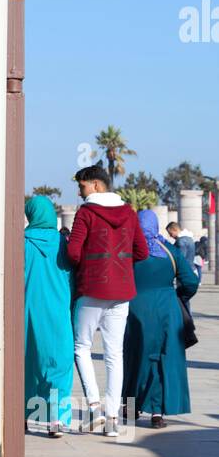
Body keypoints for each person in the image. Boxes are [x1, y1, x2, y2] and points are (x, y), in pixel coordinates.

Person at [67, 165, 149, 435]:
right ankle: (112, 418)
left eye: (82, 186)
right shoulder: (129, 213)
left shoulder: (86, 213)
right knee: (115, 354)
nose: (80, 192)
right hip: (122, 292)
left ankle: (94, 408)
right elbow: (142, 251)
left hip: (91, 289)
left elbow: (73, 252)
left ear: (97, 185)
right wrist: (120, 268)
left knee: (82, 347)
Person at [123, 209, 200, 429]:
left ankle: (130, 407)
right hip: (167, 309)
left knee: (134, 358)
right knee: (163, 359)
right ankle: (157, 413)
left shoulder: (129, 250)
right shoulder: (169, 251)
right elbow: (191, 282)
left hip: (135, 309)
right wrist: (179, 296)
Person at [23, 195, 74, 438]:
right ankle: (56, 419)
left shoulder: (20, 243)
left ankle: (21, 415)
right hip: (57, 310)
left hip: (26, 311)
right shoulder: (63, 244)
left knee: (26, 362)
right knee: (59, 363)